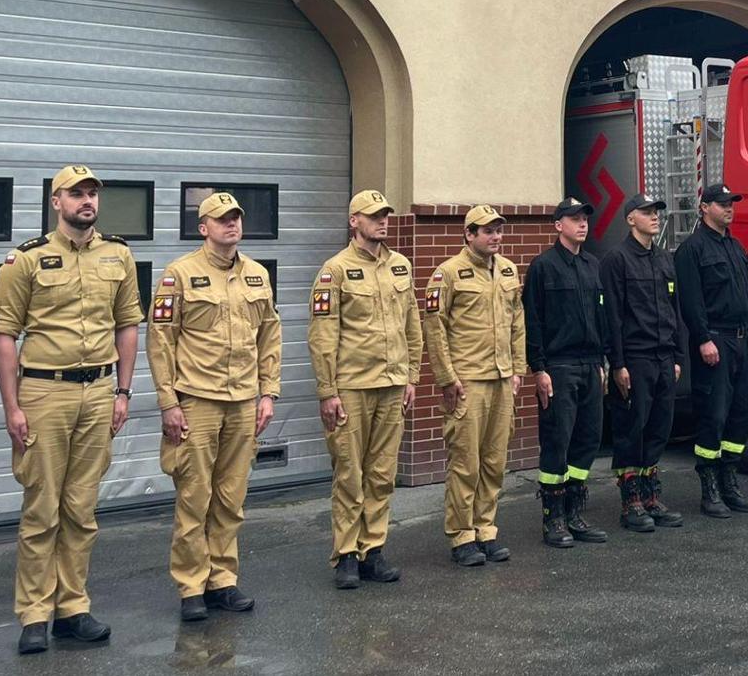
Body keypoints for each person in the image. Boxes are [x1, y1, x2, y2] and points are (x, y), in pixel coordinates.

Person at [0, 166, 141, 654]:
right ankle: (35, 613)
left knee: (81, 508)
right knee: (42, 507)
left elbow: (127, 325)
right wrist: (12, 405)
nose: (87, 201)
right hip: (44, 393)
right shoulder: (26, 259)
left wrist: (123, 392)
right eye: (76, 193)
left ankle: (73, 608)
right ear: (57, 201)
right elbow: (5, 334)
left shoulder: (119, 255)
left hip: (98, 392)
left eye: (92, 193)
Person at [147, 192, 281, 622]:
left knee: (230, 498)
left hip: (243, 402)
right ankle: (191, 586)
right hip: (198, 402)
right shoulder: (179, 275)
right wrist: (169, 402)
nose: (232, 225)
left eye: (236, 218)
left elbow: (269, 337)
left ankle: (223, 580)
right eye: (222, 219)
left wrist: (268, 393)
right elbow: (161, 340)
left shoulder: (257, 275)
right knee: (194, 498)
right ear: (203, 227)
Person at [307, 190, 421, 588]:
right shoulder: (334, 270)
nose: (382, 221)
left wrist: (412, 377)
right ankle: (346, 556)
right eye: (373, 216)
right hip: (352, 386)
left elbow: (413, 327)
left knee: (382, 473)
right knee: (349, 474)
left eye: (385, 215)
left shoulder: (401, 266)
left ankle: (373, 550)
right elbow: (323, 336)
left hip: (391, 386)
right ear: (354, 221)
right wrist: (327, 391)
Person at [424, 205, 526, 566]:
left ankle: (486, 529)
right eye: (487, 231)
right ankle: (462, 535)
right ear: (469, 234)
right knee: (465, 462)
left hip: (501, 380)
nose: (495, 237)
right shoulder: (448, 274)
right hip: (468, 381)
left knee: (494, 461)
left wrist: (517, 369)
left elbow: (517, 323)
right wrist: (446, 379)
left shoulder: (509, 270)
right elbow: (434, 330)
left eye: (499, 230)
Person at [523, 198, 612, 548]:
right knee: (557, 441)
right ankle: (553, 518)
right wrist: (539, 368)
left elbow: (601, 317)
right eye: (574, 219)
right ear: (558, 225)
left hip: (590, 365)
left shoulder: (593, 265)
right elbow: (533, 320)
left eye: (585, 219)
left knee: (588, 439)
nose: (582, 225)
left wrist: (603, 363)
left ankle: (575, 512)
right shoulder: (544, 266)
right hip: (558, 366)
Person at [674, 184, 748, 518]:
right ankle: (709, 488)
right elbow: (691, 301)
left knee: (741, 414)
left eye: (732, 204)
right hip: (715, 341)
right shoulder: (692, 250)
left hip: (740, 340)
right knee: (713, 414)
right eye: (723, 204)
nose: (730, 209)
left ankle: (730, 482)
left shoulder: (736, 247)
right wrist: (702, 338)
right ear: (704, 207)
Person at [600, 194, 686, 532]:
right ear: (630, 219)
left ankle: (651, 494)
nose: (654, 218)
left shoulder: (664, 258)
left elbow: (674, 309)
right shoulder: (616, 260)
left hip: (664, 356)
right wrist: (617, 363)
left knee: (659, 427)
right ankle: (630, 500)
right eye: (647, 213)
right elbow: (613, 317)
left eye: (656, 213)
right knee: (631, 428)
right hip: (635, 358)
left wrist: (678, 356)